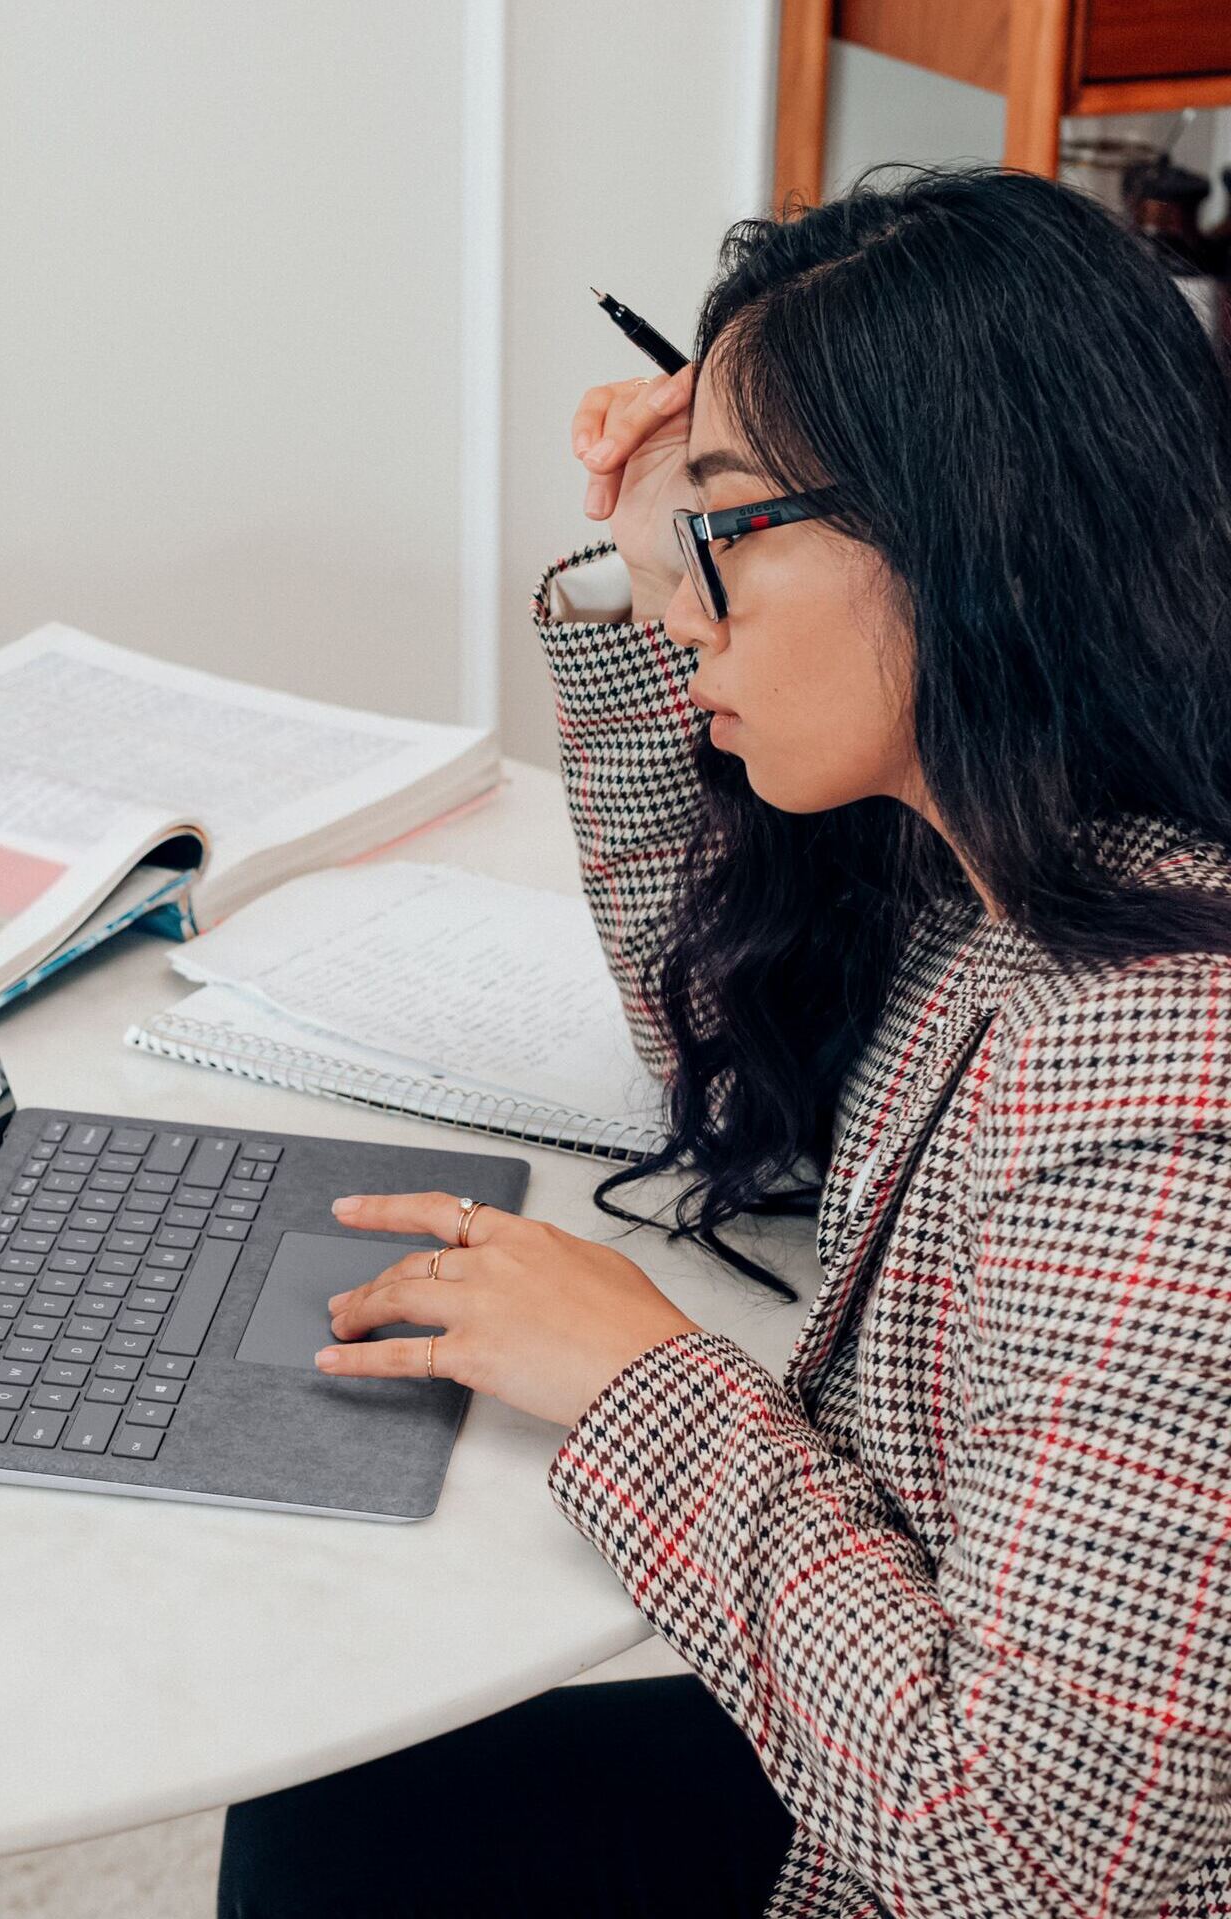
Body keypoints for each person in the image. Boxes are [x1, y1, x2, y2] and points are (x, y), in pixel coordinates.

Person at [216, 163, 1231, 1917]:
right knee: (328, 1792)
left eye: (730, 524)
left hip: (930, 1844)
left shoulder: (1159, 1084)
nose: (691, 600)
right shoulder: (1033, 853)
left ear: (963, 527)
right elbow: (725, 1030)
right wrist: (642, 572)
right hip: (897, 1654)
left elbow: (1031, 1866)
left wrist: (639, 1385)